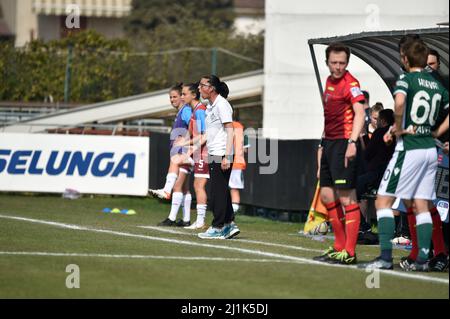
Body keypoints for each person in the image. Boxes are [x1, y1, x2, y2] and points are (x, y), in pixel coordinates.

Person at [358, 37, 449, 271]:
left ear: (405, 58)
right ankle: (427, 256)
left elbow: (399, 105)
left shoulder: (407, 79)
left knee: (383, 200)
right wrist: (437, 131)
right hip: (430, 148)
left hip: (410, 147)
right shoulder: (436, 84)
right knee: (420, 203)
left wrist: (396, 128)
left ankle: (386, 258)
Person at [313, 43, 366, 265]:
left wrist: (352, 142)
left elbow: (360, 113)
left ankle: (350, 252)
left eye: (342, 63)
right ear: (327, 62)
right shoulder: (328, 82)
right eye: (334, 63)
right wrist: (322, 146)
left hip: (345, 143)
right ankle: (339, 246)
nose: (338, 67)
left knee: (346, 196)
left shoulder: (351, 83)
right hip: (329, 144)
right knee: (326, 195)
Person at [197, 75, 240, 239]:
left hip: (222, 153)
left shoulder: (222, 104)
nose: (199, 88)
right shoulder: (210, 107)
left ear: (212, 88)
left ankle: (218, 226)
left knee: (216, 193)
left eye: (202, 85)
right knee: (220, 191)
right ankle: (229, 224)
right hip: (214, 153)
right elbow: (210, 133)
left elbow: (230, 130)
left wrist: (227, 156)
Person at [153, 83, 194, 227]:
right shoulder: (181, 111)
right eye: (170, 97)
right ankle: (186, 219)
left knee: (177, 186)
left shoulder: (186, 111)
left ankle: (171, 217)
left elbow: (194, 127)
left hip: (184, 151)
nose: (172, 99)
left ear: (182, 97)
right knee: (184, 188)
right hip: (183, 150)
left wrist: (186, 140)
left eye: (175, 96)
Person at [173, 83, 210, 230]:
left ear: (193, 95)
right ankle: (199, 220)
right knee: (196, 185)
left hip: (204, 153)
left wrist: (189, 145)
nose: (182, 97)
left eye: (184, 94)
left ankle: (201, 221)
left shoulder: (200, 110)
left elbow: (205, 134)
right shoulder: (194, 111)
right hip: (199, 153)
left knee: (198, 185)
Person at [229, 120, 250, 216]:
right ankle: (232, 213)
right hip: (237, 162)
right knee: (234, 189)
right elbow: (246, 149)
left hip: (225, 161)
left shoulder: (223, 126)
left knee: (224, 188)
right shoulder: (241, 129)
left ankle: (228, 213)